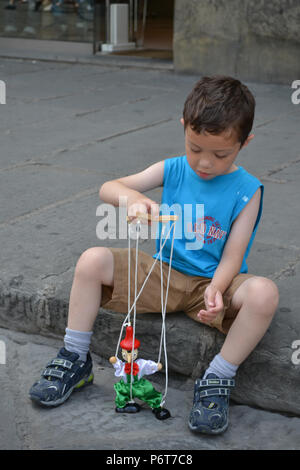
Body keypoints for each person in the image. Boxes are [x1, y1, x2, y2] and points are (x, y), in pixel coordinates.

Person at [29, 75, 279, 435]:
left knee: (264, 294)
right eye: (195, 148)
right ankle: (74, 356)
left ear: (244, 143)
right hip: (160, 272)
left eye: (220, 154)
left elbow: (233, 254)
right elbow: (107, 188)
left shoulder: (247, 190)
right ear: (184, 129)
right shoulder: (174, 168)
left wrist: (218, 288)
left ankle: (217, 377)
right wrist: (130, 198)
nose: (204, 163)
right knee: (91, 261)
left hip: (210, 282)